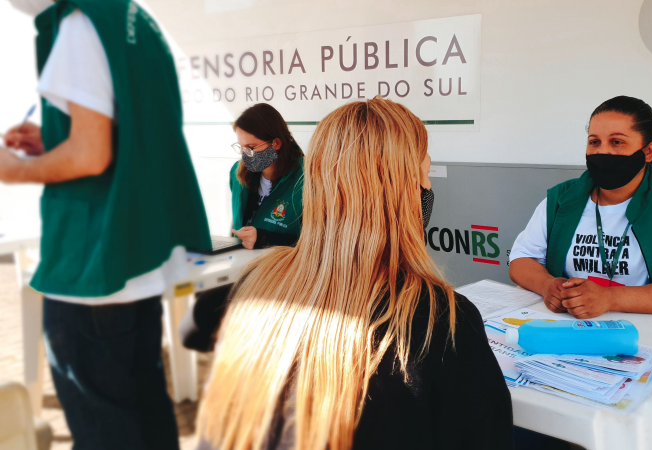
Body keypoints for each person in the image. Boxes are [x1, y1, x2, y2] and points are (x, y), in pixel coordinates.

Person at [195, 97, 513, 450]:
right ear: (404, 191)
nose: (428, 187)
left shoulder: (255, 288)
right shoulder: (443, 321)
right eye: (425, 173)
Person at [0, 0, 211, 448]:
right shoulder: (136, 20)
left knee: (105, 430)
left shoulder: (79, 24)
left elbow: (91, 154)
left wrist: (12, 169)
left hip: (93, 261)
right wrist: (57, 138)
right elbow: (126, 130)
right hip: (137, 258)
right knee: (148, 411)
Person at [509, 96, 652, 319]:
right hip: (571, 329)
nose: (602, 152)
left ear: (648, 151)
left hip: (647, 335)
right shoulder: (562, 199)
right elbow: (521, 260)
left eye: (617, 142)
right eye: (594, 142)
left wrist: (608, 298)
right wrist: (547, 286)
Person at [180, 103, 304, 352]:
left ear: (276, 143)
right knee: (192, 329)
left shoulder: (308, 179)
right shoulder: (238, 173)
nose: (246, 155)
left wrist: (263, 238)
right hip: (239, 264)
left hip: (280, 272)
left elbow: (314, 243)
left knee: (207, 325)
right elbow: (237, 225)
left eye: (252, 147)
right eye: (241, 147)